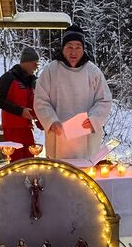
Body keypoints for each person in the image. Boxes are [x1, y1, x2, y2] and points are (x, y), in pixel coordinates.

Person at [34, 24, 112, 160]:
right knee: (59, 171)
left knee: (85, 172)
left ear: (83, 49)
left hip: (86, 137)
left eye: (78, 47)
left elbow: (104, 100)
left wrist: (93, 119)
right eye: (69, 47)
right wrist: (51, 121)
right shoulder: (51, 71)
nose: (73, 52)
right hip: (58, 137)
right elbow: (41, 100)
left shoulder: (93, 72)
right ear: (63, 48)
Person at [0, 46, 40, 161]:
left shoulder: (31, 81)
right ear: (26, 62)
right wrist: (20, 111)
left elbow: (33, 102)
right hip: (12, 128)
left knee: (30, 160)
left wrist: (40, 119)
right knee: (17, 160)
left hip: (27, 127)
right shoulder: (8, 78)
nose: (36, 67)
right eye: (35, 63)